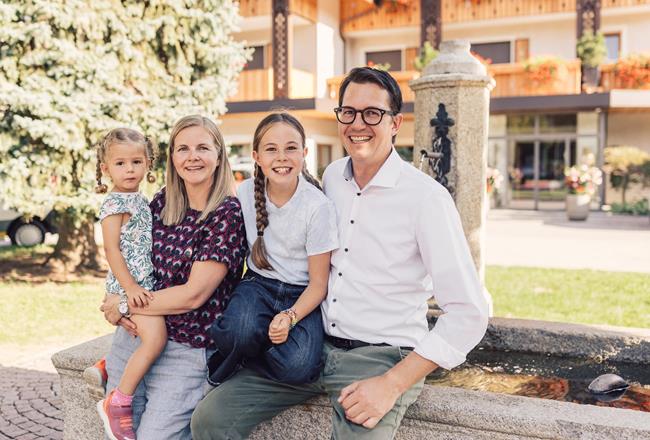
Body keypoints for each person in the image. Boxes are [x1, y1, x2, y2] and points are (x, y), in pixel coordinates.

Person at [191, 67, 489, 440]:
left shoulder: (426, 199)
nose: (357, 123)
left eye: (372, 113)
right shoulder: (331, 177)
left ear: (395, 123)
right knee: (210, 420)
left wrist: (393, 383)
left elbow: (469, 312)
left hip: (378, 360)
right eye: (348, 112)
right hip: (311, 346)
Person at [100, 115, 247, 440]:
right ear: (172, 158)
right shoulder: (162, 202)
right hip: (135, 338)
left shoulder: (227, 215)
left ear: (219, 155)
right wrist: (113, 294)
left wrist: (123, 304)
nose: (192, 156)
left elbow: (193, 295)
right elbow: (129, 253)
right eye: (183, 149)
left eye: (202, 148)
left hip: (186, 351)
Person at [206, 112, 338, 387]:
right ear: (256, 156)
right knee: (239, 330)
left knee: (300, 367)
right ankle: (238, 349)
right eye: (271, 149)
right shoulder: (244, 193)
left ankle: (249, 352)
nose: (281, 157)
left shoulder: (318, 207)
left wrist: (289, 317)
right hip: (258, 284)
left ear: (303, 153)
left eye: (291, 148)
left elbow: (318, 285)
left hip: (301, 293)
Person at [93, 128, 167, 440]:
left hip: (140, 282)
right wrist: (130, 289)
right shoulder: (114, 204)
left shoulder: (140, 199)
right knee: (155, 338)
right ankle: (118, 401)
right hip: (128, 286)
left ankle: (108, 363)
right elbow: (111, 250)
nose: (129, 169)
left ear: (148, 164)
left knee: (141, 336)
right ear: (105, 168)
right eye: (120, 163)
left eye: (136, 162)